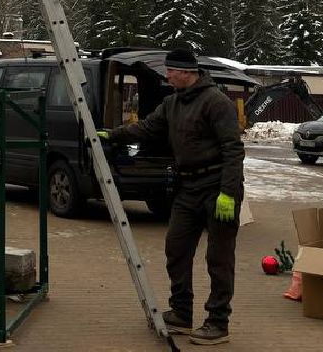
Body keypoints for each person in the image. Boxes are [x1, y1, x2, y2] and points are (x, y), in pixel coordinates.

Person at [103, 47, 244, 346]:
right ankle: (181, 312)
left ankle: (218, 322)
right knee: (176, 248)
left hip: (217, 186)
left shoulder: (216, 102)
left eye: (171, 72)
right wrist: (112, 135)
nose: (167, 76)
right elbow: (147, 128)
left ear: (187, 73)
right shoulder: (172, 103)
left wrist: (228, 193)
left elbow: (233, 149)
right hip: (187, 187)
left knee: (218, 258)